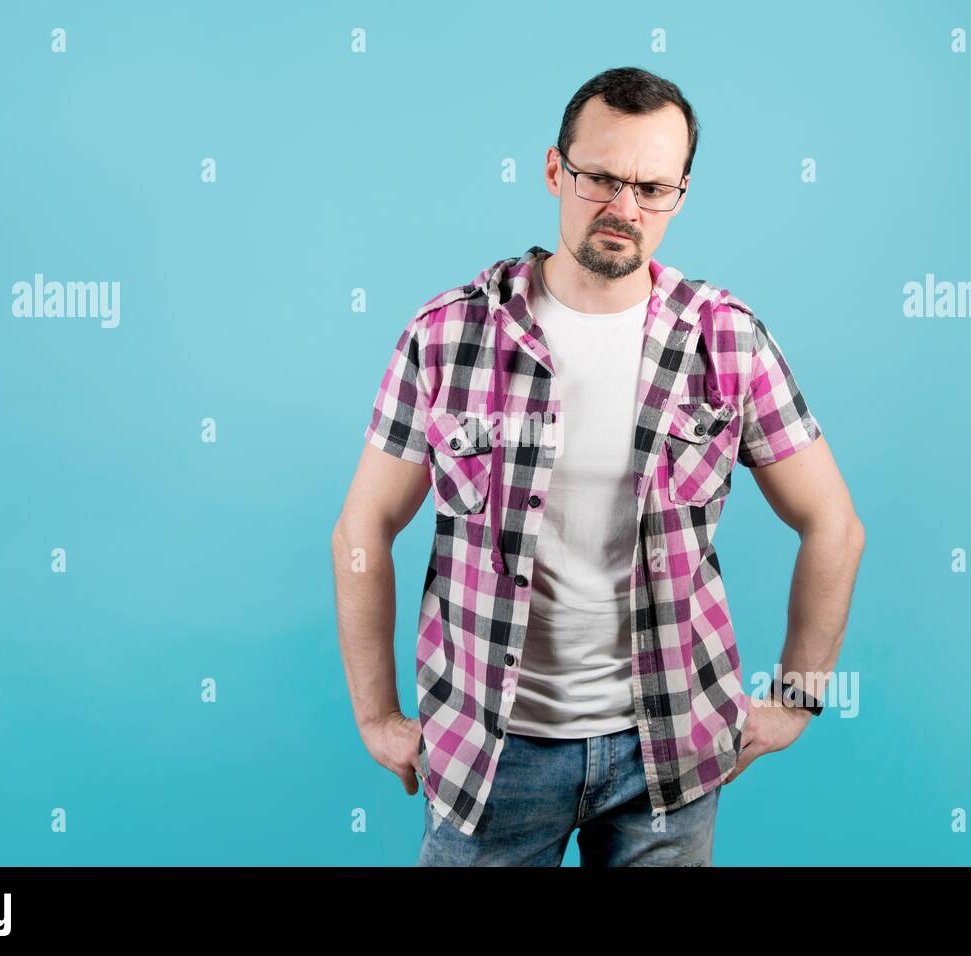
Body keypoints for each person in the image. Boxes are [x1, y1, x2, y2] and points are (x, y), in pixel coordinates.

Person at [330, 66, 865, 866]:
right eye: (601, 179)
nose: (625, 209)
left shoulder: (727, 340)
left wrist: (797, 697)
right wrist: (376, 717)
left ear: (680, 195)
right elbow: (363, 528)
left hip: (670, 754)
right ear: (554, 171)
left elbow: (834, 525)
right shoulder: (447, 336)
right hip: (490, 753)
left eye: (652, 188)